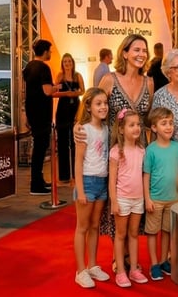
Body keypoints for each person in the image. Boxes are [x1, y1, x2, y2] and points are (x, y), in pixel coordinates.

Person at [72, 89, 113, 288]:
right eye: (98, 103)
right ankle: (80, 270)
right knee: (83, 227)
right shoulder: (83, 129)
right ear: (88, 106)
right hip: (87, 182)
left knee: (95, 226)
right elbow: (78, 162)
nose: (103, 107)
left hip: (102, 182)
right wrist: (80, 190)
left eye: (105, 103)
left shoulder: (105, 129)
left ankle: (93, 264)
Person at [106, 108, 149, 287]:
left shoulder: (141, 150)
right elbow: (112, 179)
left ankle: (133, 269)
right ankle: (121, 270)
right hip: (122, 199)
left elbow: (144, 175)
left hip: (138, 199)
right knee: (120, 234)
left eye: (138, 124)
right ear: (122, 129)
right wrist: (114, 201)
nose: (136, 128)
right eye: (131, 125)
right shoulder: (117, 151)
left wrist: (145, 199)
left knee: (133, 234)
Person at [142, 107, 178, 281]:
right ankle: (154, 264)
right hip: (155, 199)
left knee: (167, 231)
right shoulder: (151, 150)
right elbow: (146, 176)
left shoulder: (177, 147)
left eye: (171, 123)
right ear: (154, 128)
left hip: (173, 199)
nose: (169, 127)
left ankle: (163, 261)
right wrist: (147, 198)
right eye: (164, 123)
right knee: (153, 232)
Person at [26, 40, 59, 195]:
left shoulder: (29, 67)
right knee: (40, 149)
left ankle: (38, 181)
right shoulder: (43, 68)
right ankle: (36, 185)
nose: (50, 53)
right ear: (45, 51)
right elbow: (47, 91)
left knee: (38, 148)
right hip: (42, 113)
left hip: (32, 112)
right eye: (50, 51)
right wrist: (57, 87)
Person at [54, 54, 85, 194]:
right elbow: (54, 92)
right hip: (62, 110)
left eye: (69, 61)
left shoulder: (78, 76)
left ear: (73, 63)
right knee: (62, 144)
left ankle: (76, 176)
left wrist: (75, 93)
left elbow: (83, 91)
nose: (67, 64)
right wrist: (66, 93)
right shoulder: (60, 76)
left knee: (75, 144)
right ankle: (64, 177)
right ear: (62, 63)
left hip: (74, 109)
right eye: (65, 61)